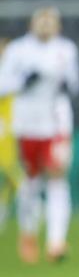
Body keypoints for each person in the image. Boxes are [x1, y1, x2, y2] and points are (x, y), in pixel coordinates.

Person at [0, 8, 79, 262]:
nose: (46, 24)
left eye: (50, 20)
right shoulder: (18, 50)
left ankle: (56, 241)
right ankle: (28, 233)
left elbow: (75, 84)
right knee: (30, 181)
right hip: (27, 123)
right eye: (41, 20)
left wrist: (67, 84)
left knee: (57, 178)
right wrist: (24, 81)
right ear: (31, 23)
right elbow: (2, 85)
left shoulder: (66, 49)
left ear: (58, 25)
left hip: (57, 122)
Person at [0, 39, 16, 234]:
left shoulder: (13, 70)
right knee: (10, 167)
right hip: (4, 126)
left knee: (12, 167)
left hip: (14, 125)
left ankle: (3, 204)